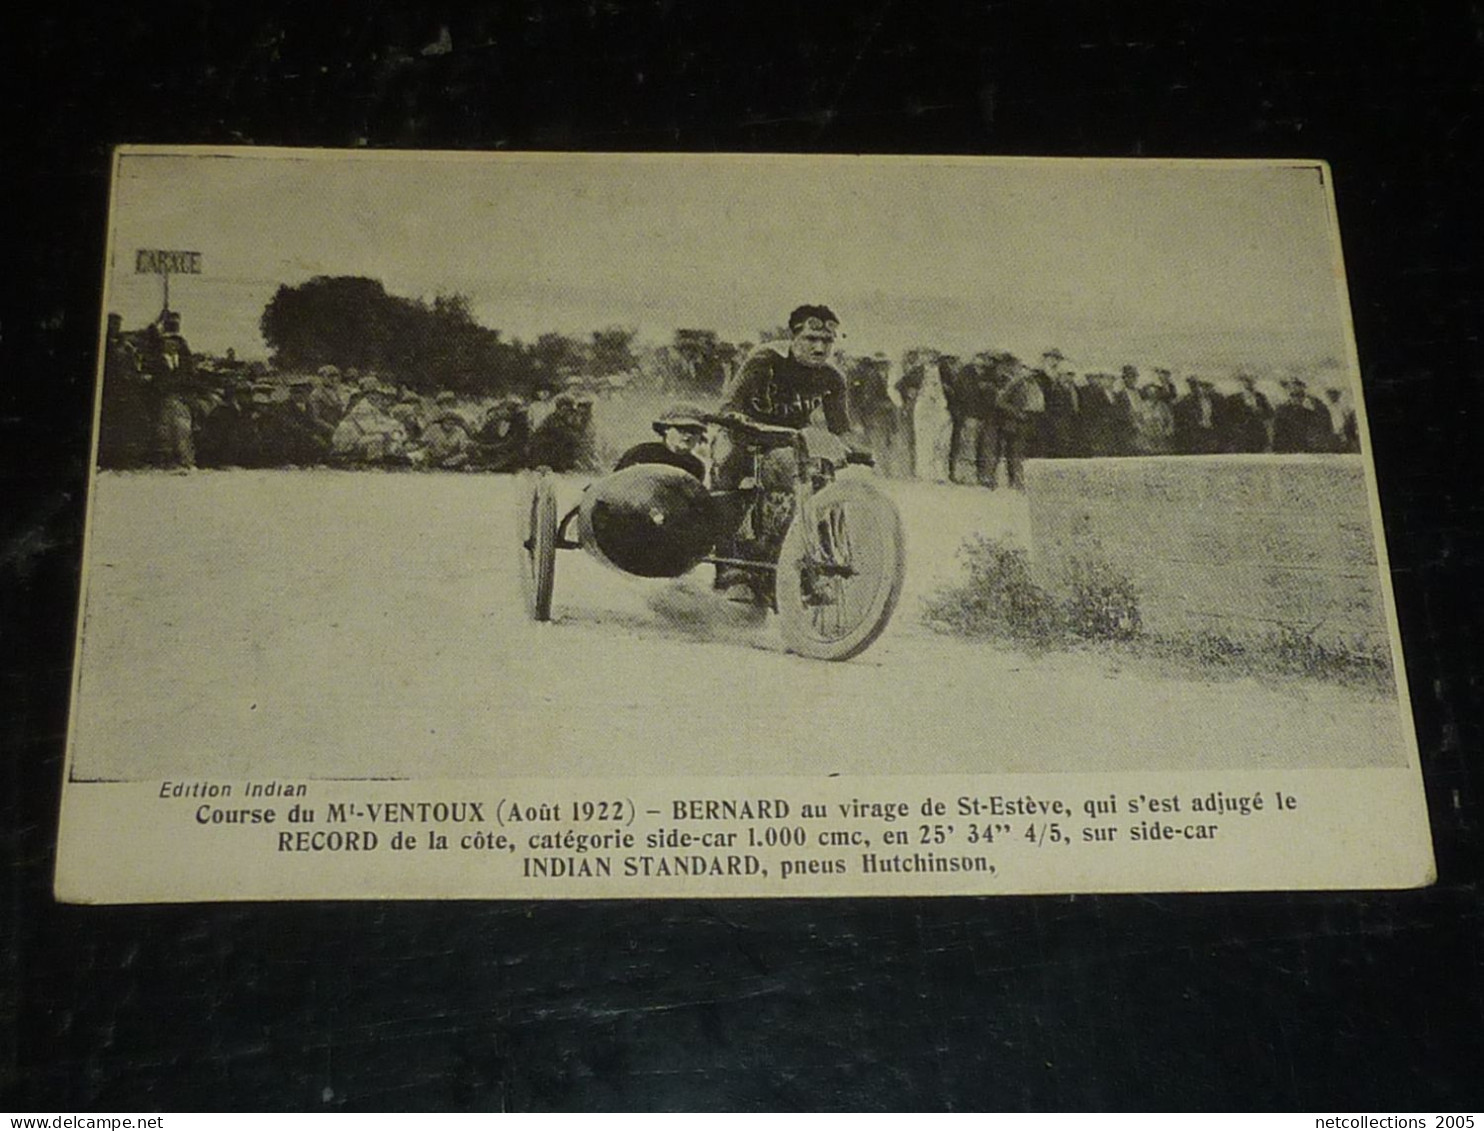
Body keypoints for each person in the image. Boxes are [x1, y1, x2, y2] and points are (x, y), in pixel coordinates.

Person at [711, 304, 854, 601]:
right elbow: (730, 406)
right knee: (728, 475)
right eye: (810, 339)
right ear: (793, 337)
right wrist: (738, 421)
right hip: (743, 436)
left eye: (826, 341)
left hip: (787, 445)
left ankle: (814, 568)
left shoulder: (832, 378)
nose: (819, 347)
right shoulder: (765, 360)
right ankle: (729, 569)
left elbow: (840, 429)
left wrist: (849, 449)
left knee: (820, 485)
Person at [613, 404, 709, 480]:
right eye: (682, 429)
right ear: (666, 429)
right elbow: (614, 488)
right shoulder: (641, 454)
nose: (689, 435)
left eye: (695, 431)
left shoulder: (696, 466)